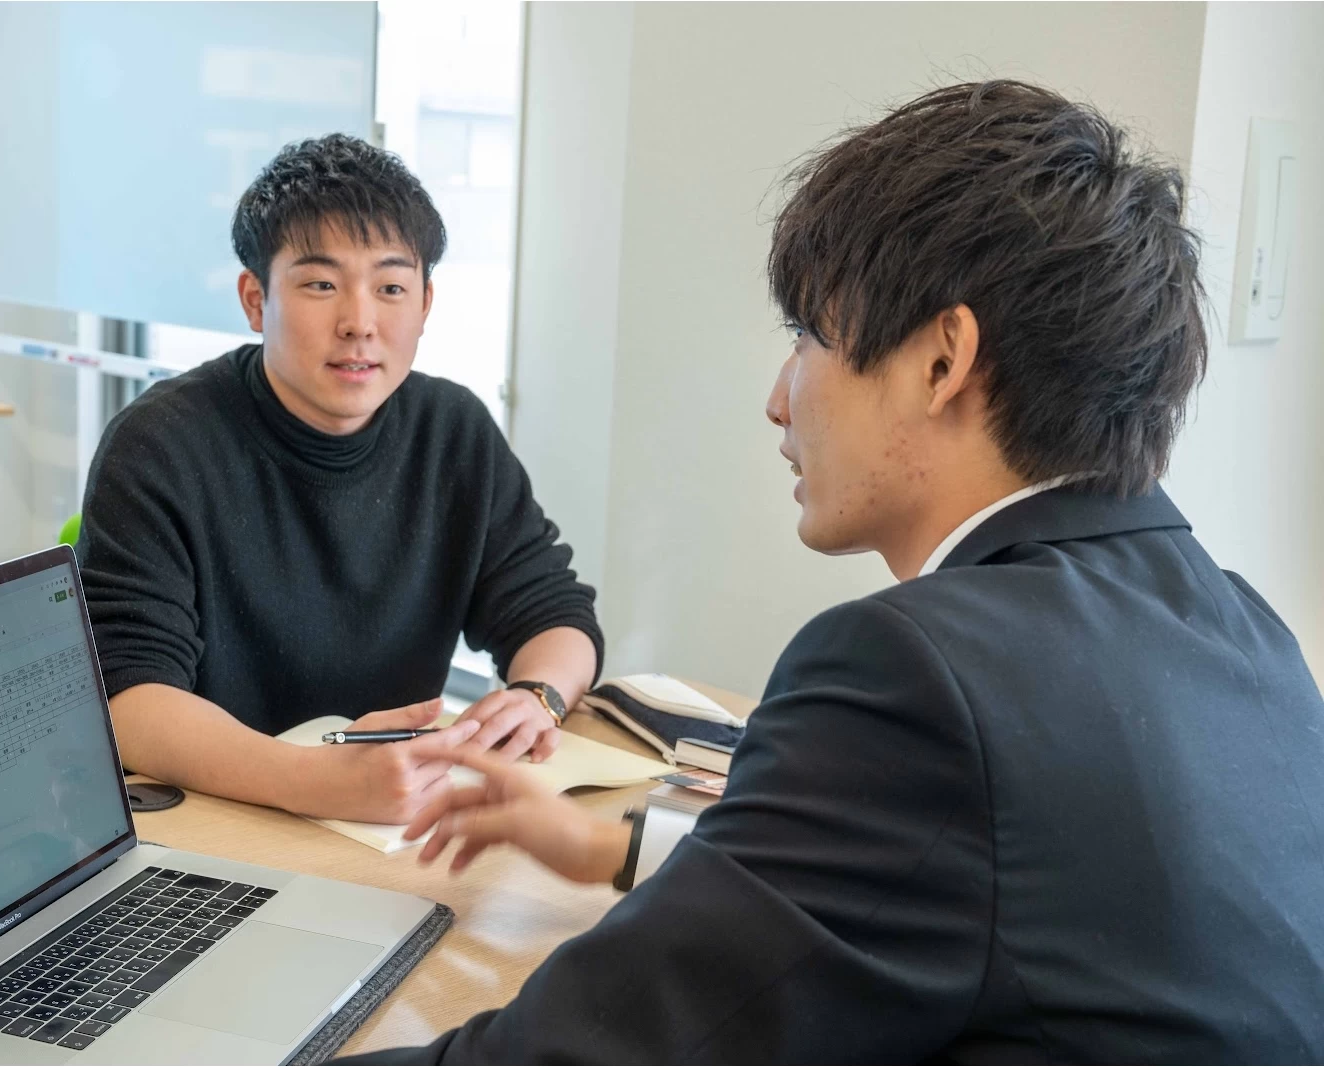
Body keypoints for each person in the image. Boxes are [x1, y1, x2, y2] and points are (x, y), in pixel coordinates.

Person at [343, 81, 1324, 1062]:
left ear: (942, 361)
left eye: (809, 334)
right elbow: (945, 877)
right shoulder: (1242, 630)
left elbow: (584, 1050)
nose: (780, 398)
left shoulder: (920, 674)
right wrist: (614, 843)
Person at [77, 135, 601, 824]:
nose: (359, 323)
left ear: (425, 303)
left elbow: (555, 613)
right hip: (215, 821)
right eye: (321, 285)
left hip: (388, 825)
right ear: (256, 299)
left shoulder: (454, 432)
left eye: (391, 288)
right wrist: (315, 781)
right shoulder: (161, 443)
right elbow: (128, 696)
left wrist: (538, 697)